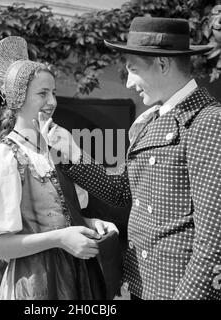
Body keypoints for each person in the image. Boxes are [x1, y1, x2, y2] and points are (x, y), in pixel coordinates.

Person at [43, 17, 221, 300]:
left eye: (133, 70)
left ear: (162, 64)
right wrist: (72, 151)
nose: (128, 83)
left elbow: (213, 239)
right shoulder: (149, 122)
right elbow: (121, 191)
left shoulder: (208, 121)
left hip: (178, 292)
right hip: (139, 287)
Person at [0, 36, 119, 300]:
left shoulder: (56, 150)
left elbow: (56, 218)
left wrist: (88, 223)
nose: (52, 101)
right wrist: (58, 238)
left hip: (79, 279)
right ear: (18, 98)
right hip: (35, 284)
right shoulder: (3, 157)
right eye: (42, 93)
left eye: (53, 92)